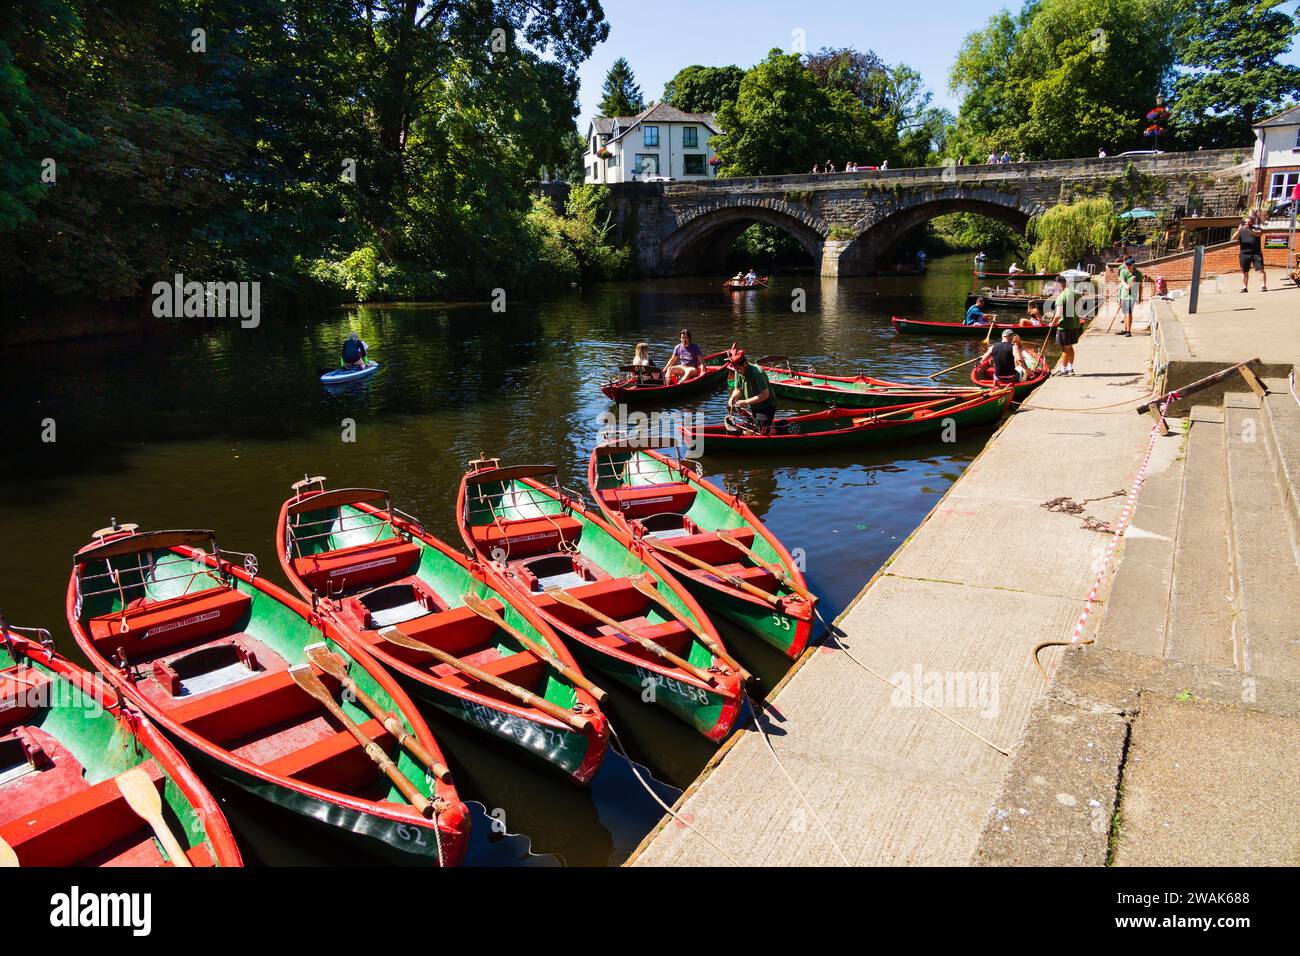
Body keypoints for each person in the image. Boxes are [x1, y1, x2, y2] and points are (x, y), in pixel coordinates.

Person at [724, 349, 777, 435]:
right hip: (752, 406)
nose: (737, 371)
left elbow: (765, 395)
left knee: (761, 432)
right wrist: (732, 398)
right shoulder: (738, 372)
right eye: (735, 369)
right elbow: (738, 389)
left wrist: (745, 401)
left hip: (767, 406)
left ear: (745, 364)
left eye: (739, 369)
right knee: (747, 429)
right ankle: (769, 423)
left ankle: (780, 430)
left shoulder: (757, 372)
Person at [1052, 279, 1083, 376]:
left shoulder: (1061, 297)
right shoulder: (1077, 294)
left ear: (1059, 284)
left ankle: (1063, 370)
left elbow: (1058, 314)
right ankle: (1070, 368)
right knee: (1070, 347)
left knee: (1065, 349)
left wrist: (1052, 323)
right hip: (1075, 325)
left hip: (1064, 326)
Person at [1237, 216, 1267, 292]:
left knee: (1260, 270)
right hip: (1244, 254)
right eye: (1245, 222)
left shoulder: (1257, 229)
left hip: (1256, 253)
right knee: (1245, 272)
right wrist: (1238, 231)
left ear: (1252, 222)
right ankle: (1244, 287)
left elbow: (1258, 234)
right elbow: (1233, 238)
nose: (1247, 223)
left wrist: (1249, 230)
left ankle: (1263, 286)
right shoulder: (1241, 230)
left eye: (1249, 222)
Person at [1116, 256, 1142, 336]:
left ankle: (1128, 331)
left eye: (1129, 264)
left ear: (1133, 264)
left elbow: (1140, 286)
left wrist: (1140, 297)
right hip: (1123, 294)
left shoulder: (1138, 274)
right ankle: (1125, 329)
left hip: (1132, 296)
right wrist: (1127, 286)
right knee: (1125, 313)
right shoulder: (1123, 271)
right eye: (1126, 264)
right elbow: (1122, 281)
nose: (1127, 266)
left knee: (1129, 313)